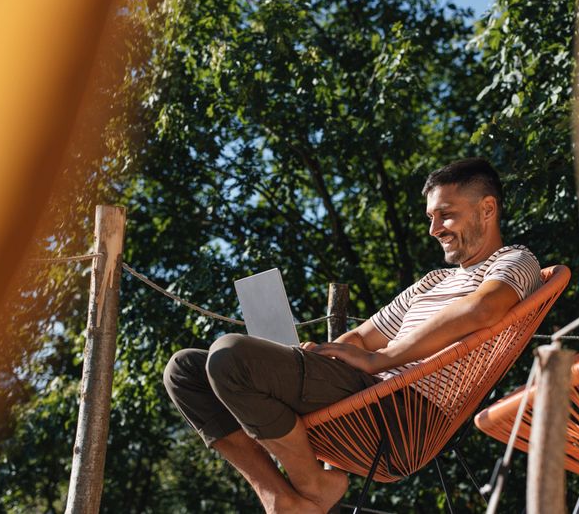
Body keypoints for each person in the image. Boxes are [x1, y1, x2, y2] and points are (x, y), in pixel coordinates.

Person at [163, 158, 542, 513]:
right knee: (184, 370)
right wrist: (320, 357)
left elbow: (481, 309)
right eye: (430, 217)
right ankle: (279, 497)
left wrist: (383, 360)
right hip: (364, 395)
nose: (434, 229)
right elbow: (361, 338)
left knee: (230, 355)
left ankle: (312, 485)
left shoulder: (515, 261)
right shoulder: (433, 281)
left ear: (487, 209)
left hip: (402, 415)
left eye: (446, 215)